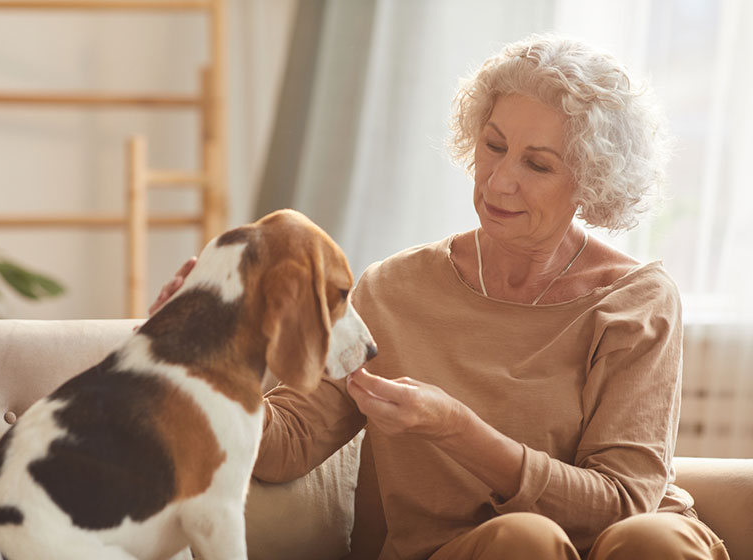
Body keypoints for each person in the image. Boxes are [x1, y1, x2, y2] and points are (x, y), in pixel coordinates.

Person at [151, 34, 728, 560]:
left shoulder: (635, 301)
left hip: (625, 540)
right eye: (494, 145)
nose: (500, 180)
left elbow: (626, 501)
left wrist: (458, 430)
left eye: (537, 164)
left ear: (592, 181)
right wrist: (201, 350)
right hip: (459, 551)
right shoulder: (395, 290)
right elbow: (290, 443)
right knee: (525, 539)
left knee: (655, 540)